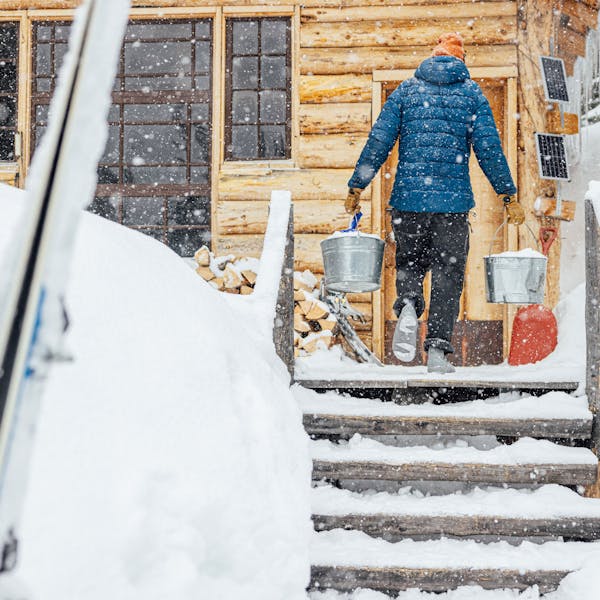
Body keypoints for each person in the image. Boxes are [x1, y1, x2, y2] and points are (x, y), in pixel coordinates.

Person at [345, 32, 524, 374]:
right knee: (447, 275)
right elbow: (489, 149)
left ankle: (410, 302)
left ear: (433, 56)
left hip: (408, 202)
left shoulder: (408, 91)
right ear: (461, 60)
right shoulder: (472, 94)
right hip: (452, 208)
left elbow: (378, 140)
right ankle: (438, 350)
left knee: (410, 263)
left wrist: (358, 184)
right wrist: (507, 194)